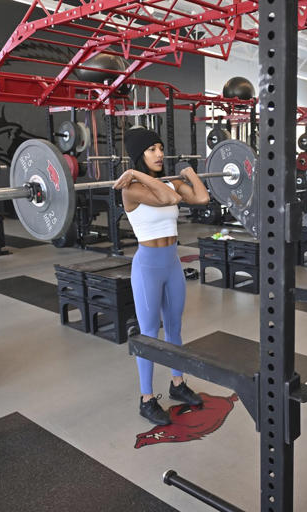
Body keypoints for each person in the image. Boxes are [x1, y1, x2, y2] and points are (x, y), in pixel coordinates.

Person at [112, 128, 210, 425]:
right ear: (139, 155)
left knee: (176, 328)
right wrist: (135, 175)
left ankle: (177, 384)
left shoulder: (161, 181)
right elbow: (168, 198)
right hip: (148, 268)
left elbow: (202, 198)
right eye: (151, 149)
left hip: (172, 264)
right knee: (150, 334)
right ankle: (146, 399)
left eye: (160, 148)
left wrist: (190, 173)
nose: (159, 154)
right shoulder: (131, 188)